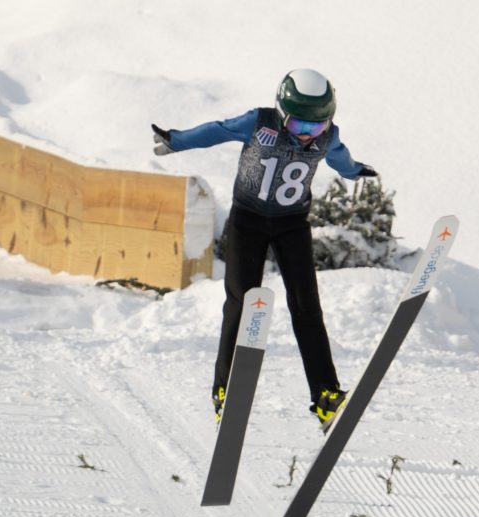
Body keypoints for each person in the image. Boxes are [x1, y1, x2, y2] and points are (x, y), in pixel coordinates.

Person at [152, 69, 377, 428]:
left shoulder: (327, 137)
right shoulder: (259, 123)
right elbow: (218, 130)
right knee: (241, 301)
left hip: (292, 224)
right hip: (248, 221)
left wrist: (354, 172)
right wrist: (176, 140)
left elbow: (340, 157)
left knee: (306, 305)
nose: (307, 135)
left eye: (316, 128)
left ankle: (325, 394)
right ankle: (224, 390)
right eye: (300, 126)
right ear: (282, 113)